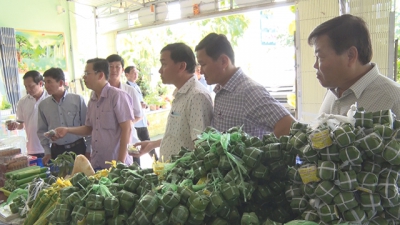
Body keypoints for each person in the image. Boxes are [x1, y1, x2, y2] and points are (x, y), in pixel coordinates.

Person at [195, 33, 294, 138]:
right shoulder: (221, 91)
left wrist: (265, 152)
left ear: (223, 61)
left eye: (203, 64)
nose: (200, 71)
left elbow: (290, 127)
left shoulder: (249, 92)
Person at [308, 14, 400, 116]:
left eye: (320, 57)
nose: (315, 65)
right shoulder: (333, 91)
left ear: (350, 56)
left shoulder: (394, 100)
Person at [133, 43, 213, 160]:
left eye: (164, 64)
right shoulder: (181, 94)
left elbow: (201, 146)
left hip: (183, 175)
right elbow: (179, 137)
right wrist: (152, 144)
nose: (160, 70)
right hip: (169, 172)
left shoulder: (197, 96)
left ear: (181, 67)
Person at [53, 58, 134, 169]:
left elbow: (127, 129)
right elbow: (89, 128)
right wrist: (67, 130)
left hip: (116, 164)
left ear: (100, 75)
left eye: (87, 73)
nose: (84, 77)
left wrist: (120, 163)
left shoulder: (117, 96)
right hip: (98, 162)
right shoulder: (93, 99)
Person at [37, 68, 90, 165]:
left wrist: (89, 150)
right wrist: (47, 152)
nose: (46, 86)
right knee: (60, 179)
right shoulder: (43, 105)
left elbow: (88, 127)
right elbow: (41, 131)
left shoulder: (77, 100)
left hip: (78, 149)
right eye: (45, 82)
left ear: (61, 82)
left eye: (49, 82)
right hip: (57, 151)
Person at [7, 71, 49, 158]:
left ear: (40, 83)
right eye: (26, 86)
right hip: (32, 148)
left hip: (50, 147)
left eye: (31, 86)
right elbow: (21, 124)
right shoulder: (22, 102)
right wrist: (15, 125)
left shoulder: (50, 99)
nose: (28, 89)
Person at [106, 54, 143, 145]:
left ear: (122, 70)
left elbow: (139, 114)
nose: (114, 70)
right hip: (108, 142)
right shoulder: (100, 92)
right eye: (110, 67)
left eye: (117, 67)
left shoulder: (130, 90)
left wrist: (125, 125)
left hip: (130, 141)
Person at [125, 65, 159, 162]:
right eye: (133, 73)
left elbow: (140, 107)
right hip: (134, 124)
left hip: (141, 121)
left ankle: (157, 162)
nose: (136, 75)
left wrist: (145, 118)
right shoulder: (126, 89)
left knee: (148, 144)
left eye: (137, 73)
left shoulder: (137, 87)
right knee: (135, 147)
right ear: (127, 75)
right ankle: (137, 167)